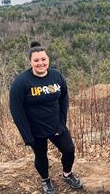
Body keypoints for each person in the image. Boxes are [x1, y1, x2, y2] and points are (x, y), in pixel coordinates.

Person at [10, 41, 82, 193]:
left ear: (48, 59)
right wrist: (27, 136)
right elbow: (16, 111)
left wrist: (62, 124)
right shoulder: (21, 82)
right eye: (36, 60)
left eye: (43, 59)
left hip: (56, 126)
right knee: (41, 157)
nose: (40, 63)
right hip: (35, 130)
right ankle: (46, 180)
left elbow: (64, 100)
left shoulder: (56, 76)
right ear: (30, 62)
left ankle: (67, 174)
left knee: (69, 151)